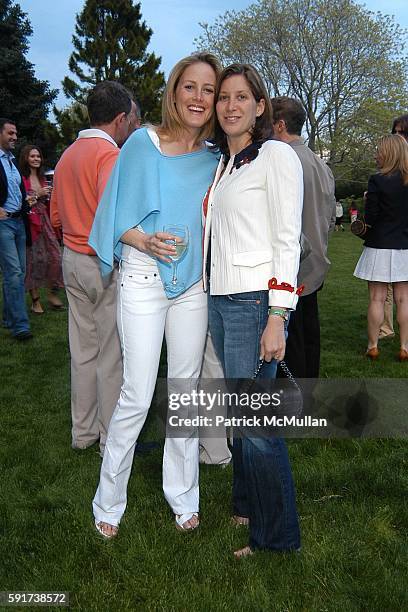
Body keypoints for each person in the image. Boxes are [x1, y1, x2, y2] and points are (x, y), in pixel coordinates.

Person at [89, 53, 221, 538]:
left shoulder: (215, 160)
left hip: (192, 286)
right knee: (137, 394)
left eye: (208, 90)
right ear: (174, 91)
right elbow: (111, 215)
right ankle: (108, 500)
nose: (199, 98)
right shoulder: (142, 143)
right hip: (143, 277)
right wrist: (143, 240)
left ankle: (183, 495)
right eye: (191, 87)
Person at [203, 64, 303, 557]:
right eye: (224, 97)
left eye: (242, 97)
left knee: (257, 425)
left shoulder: (275, 156)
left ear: (260, 107)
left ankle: (276, 539)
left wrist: (277, 314)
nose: (230, 106)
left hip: (253, 302)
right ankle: (245, 503)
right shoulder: (225, 164)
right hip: (220, 300)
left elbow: (289, 237)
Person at [50, 81, 139, 456]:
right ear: (120, 118)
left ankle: (82, 432)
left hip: (71, 257)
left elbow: (55, 214)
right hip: (101, 262)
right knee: (110, 353)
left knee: (82, 350)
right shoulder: (109, 156)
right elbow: (112, 215)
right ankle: (108, 438)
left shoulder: (68, 154)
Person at [271, 96, 336, 378]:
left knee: (292, 338)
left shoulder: (284, 161)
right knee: (309, 333)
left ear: (280, 125)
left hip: (295, 266)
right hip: (316, 263)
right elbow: (331, 217)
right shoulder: (320, 164)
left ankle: (293, 397)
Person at [353, 134, 408, 361]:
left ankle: (373, 345)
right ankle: (405, 346)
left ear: (389, 152)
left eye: (379, 150)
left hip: (380, 244)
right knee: (404, 299)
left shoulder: (377, 180)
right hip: (405, 245)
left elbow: (372, 218)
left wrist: (369, 201)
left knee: (377, 298)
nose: (377, 154)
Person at [19, 145, 64, 314]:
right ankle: (35, 300)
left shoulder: (42, 177)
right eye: (32, 156)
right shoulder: (22, 178)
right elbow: (21, 201)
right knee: (34, 260)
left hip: (44, 219)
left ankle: (53, 293)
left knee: (55, 256)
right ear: (25, 158)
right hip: (30, 221)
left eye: (38, 156)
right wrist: (37, 195)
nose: (36, 159)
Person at [0, 118, 32, 340]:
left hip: (18, 223)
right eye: (10, 133)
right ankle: (20, 326)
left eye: (16, 133)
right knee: (13, 273)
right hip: (3, 225)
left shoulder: (11, 162)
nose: (15, 137)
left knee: (17, 274)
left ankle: (8, 317)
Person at [379, 115, 408, 340]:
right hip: (391, 239)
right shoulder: (386, 173)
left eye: (403, 133)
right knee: (386, 290)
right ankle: (385, 327)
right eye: (396, 132)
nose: (399, 136)